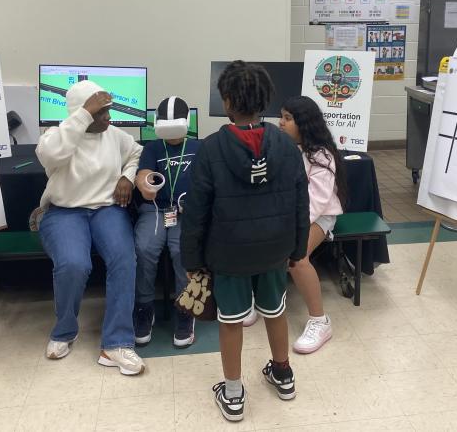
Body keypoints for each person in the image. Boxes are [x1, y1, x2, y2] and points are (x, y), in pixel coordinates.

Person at [181, 60, 309, 422]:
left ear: (226, 101)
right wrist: (297, 251)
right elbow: (302, 202)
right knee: (276, 310)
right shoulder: (286, 146)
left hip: (229, 254)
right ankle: (283, 374)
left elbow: (196, 213)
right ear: (267, 100)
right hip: (276, 250)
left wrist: (192, 260)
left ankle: (234, 393)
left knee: (231, 320)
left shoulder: (209, 149)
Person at [36, 80, 145, 375]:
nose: (108, 118)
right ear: (81, 114)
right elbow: (51, 157)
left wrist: (127, 176)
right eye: (101, 113)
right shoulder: (55, 137)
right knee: (73, 264)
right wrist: (84, 116)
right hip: (65, 212)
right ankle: (64, 330)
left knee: (124, 259)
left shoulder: (113, 135)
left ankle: (116, 343)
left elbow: (135, 152)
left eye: (108, 111)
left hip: (106, 209)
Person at [279, 96, 346, 354]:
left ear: (304, 123)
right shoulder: (286, 148)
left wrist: (289, 227)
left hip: (320, 216)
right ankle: (263, 301)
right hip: (291, 215)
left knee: (297, 257)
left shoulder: (322, 155)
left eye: (287, 118)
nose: (281, 123)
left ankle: (320, 321)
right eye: (281, 117)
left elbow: (316, 203)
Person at [133, 96, 199, 348]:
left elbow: (206, 181)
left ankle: (186, 309)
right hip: (156, 211)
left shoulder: (198, 148)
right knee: (144, 248)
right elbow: (143, 174)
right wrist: (145, 185)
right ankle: (144, 307)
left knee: (182, 250)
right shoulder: (152, 148)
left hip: (186, 212)